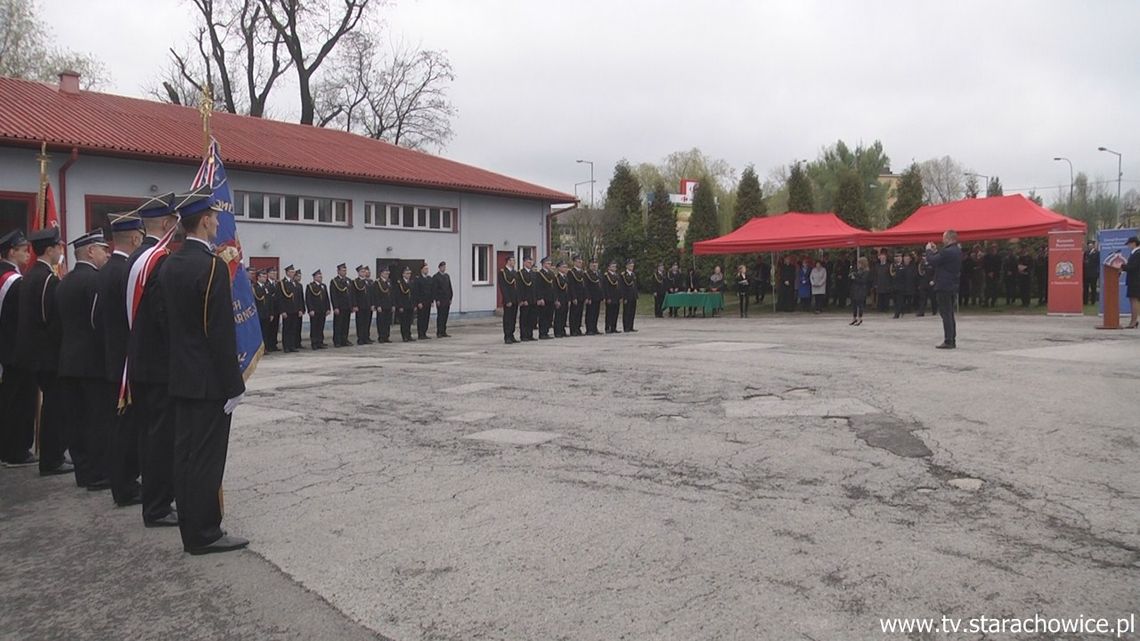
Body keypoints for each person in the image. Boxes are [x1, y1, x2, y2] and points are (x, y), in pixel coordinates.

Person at [159, 187, 247, 555]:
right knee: (207, 460)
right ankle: (205, 532)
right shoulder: (210, 267)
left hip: (179, 375)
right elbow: (219, 333)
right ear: (206, 220)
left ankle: (190, 528)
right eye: (213, 216)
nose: (217, 221)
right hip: (209, 381)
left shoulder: (169, 263)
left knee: (185, 456)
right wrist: (233, 385)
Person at [126, 193, 180, 523]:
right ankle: (158, 506)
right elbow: (164, 316)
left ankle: (153, 500)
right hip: (158, 365)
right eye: (174, 221)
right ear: (165, 224)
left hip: (140, 361)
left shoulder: (137, 257)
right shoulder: (157, 259)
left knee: (148, 433)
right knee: (160, 438)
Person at [56, 229, 111, 490]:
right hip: (92, 363)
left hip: (68, 360)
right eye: (103, 249)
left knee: (75, 421)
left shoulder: (64, 281)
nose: (107, 254)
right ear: (91, 251)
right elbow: (98, 323)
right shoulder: (95, 281)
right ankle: (99, 473)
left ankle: (83, 472)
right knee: (96, 420)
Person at [97, 212, 145, 507]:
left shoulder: (105, 270)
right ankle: (125, 486)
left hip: (110, 357)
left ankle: (122, 482)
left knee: (118, 426)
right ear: (136, 238)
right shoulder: (124, 270)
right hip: (125, 361)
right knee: (126, 428)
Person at [16, 227, 70, 476]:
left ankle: (52, 456)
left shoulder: (29, 276)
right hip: (48, 354)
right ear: (50, 250)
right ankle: (52, 458)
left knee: (53, 404)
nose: (61, 251)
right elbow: (52, 319)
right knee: (55, 407)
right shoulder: (48, 279)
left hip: (34, 353)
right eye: (59, 247)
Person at [0, 229, 37, 467]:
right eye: (23, 250)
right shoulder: (13, 282)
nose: (27, 254)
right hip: (14, 353)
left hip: (7, 351)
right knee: (17, 402)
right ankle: (15, 451)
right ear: (11, 252)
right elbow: (19, 322)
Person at [925, 230, 963, 349]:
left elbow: (933, 261)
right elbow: (942, 260)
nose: (942, 240)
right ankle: (952, 338)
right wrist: (935, 251)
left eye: (944, 237)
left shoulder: (948, 251)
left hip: (944, 285)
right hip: (952, 284)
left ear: (949, 238)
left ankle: (948, 340)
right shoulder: (956, 250)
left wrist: (928, 250)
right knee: (949, 313)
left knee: (945, 313)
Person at [277, 265, 302, 353]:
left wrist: (300, 309)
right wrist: (282, 311)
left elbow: (298, 297)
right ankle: (286, 346)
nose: (293, 273)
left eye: (293, 272)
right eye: (291, 272)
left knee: (293, 328)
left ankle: (292, 345)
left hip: (295, 309)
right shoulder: (282, 283)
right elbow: (280, 298)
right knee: (286, 329)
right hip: (287, 310)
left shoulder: (294, 283)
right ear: (287, 272)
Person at [329, 263, 353, 347]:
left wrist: (352, 305)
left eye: (345, 270)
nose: (344, 272)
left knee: (346, 324)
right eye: (343, 270)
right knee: (338, 324)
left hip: (347, 306)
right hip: (339, 306)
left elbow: (351, 294)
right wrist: (335, 307)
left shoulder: (349, 281)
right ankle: (337, 341)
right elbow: (333, 295)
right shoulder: (335, 281)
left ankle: (344, 339)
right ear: (338, 271)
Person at [305, 270, 329, 349]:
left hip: (322, 310)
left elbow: (326, 298)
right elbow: (308, 299)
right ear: (314, 277)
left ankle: (320, 341)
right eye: (319, 276)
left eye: (321, 276)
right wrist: (310, 309)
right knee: (314, 327)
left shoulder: (323, 286)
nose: (320, 278)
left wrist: (328, 308)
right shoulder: (310, 286)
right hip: (315, 310)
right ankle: (314, 343)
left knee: (321, 326)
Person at [534, 257, 556, 339]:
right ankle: (542, 333)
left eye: (550, 263)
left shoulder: (551, 273)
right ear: (543, 264)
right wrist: (540, 298)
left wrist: (555, 298)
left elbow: (553, 287)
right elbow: (538, 287)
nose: (549, 265)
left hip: (551, 298)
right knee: (543, 316)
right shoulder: (539, 274)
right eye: (548, 263)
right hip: (544, 298)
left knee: (549, 316)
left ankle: (546, 331)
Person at [498, 255, 518, 343]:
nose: (514, 262)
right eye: (513, 260)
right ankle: (507, 336)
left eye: (514, 260)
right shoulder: (503, 272)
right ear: (508, 261)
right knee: (508, 318)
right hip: (508, 299)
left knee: (513, 318)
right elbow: (503, 287)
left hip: (515, 299)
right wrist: (507, 300)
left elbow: (517, 287)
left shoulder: (514, 272)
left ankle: (512, 335)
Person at [371, 265, 394, 343]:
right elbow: (376, 295)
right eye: (385, 272)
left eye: (388, 272)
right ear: (381, 273)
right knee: (381, 322)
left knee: (387, 322)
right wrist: (378, 305)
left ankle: (386, 336)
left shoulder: (389, 282)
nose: (387, 274)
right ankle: (381, 336)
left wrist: (393, 305)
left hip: (388, 305)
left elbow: (392, 294)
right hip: (381, 305)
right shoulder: (377, 282)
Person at [352, 264, 373, 345]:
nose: (364, 273)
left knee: (367, 322)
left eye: (364, 271)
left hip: (368, 305)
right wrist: (355, 305)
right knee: (360, 322)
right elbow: (353, 294)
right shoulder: (355, 282)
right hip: (360, 305)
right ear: (358, 272)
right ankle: (360, 338)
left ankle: (366, 337)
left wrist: (372, 304)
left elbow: (371, 294)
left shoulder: (368, 282)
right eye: (362, 272)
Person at [413, 262, 434, 340]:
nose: (427, 270)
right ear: (421, 270)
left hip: (428, 301)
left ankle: (424, 332)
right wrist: (418, 302)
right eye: (425, 269)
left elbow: (431, 290)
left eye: (427, 269)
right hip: (421, 302)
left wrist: (432, 301)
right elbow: (416, 292)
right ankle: (420, 333)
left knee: (426, 318)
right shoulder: (418, 279)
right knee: (421, 318)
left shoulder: (429, 279)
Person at [394, 266, 415, 342]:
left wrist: (414, 304)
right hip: (403, 305)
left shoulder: (412, 282)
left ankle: (409, 335)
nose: (408, 275)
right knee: (404, 321)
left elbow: (414, 294)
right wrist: (400, 306)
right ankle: (404, 336)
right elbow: (398, 295)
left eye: (409, 273)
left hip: (410, 304)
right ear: (403, 274)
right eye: (407, 273)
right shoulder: (400, 283)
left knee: (409, 321)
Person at [517, 257, 536, 341]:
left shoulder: (533, 273)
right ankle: (523, 335)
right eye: (528, 262)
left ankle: (530, 334)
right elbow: (519, 288)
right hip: (525, 300)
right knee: (524, 318)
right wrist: (522, 299)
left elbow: (536, 287)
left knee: (531, 318)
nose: (530, 264)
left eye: (531, 262)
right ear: (524, 263)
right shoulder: (520, 273)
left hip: (532, 299)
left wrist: (536, 298)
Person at [432, 261, 453, 338]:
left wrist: (451, 298)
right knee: (440, 316)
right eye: (443, 267)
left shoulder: (447, 276)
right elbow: (435, 289)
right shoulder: (436, 277)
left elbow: (449, 287)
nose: (444, 268)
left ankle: (444, 331)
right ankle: (439, 332)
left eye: (445, 267)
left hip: (447, 299)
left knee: (445, 316)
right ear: (440, 267)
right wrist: (437, 299)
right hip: (440, 300)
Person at [893, 253, 916, 319]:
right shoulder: (898, 266)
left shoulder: (908, 267)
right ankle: (899, 312)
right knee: (899, 301)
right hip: (898, 286)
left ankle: (899, 313)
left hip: (905, 286)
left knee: (901, 301)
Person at [1124, 236, 1140, 329]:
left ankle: (1133, 321)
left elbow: (1133, 267)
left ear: (1134, 243)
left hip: (1136, 280)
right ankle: (1133, 320)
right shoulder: (1134, 253)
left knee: (1134, 300)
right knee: (1132, 300)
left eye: (1129, 244)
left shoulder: (1138, 253)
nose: (1128, 246)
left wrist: (1122, 267)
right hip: (1133, 280)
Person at [849, 257, 871, 326]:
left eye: (860, 263)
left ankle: (860, 318)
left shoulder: (866, 271)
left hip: (861, 289)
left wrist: (855, 278)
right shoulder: (859, 270)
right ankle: (854, 317)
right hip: (855, 289)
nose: (858, 265)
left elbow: (863, 281)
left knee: (860, 304)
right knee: (854, 304)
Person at [602, 260, 621, 333]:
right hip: (610, 297)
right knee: (609, 313)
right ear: (608, 267)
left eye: (615, 266)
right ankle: (608, 327)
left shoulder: (616, 275)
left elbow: (619, 287)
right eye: (612, 266)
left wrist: (620, 296)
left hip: (616, 297)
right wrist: (607, 297)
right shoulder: (606, 276)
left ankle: (613, 327)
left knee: (615, 313)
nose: (614, 268)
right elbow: (605, 287)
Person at [568, 257, 586, 335]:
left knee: (579, 313)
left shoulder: (582, 272)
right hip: (575, 296)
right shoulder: (571, 272)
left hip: (581, 296)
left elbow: (584, 285)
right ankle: (573, 330)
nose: (580, 263)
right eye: (578, 262)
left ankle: (578, 329)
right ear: (574, 263)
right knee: (574, 313)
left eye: (581, 262)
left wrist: (585, 296)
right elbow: (571, 286)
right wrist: (573, 297)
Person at [584, 258, 602, 335]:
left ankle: (594, 328)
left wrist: (602, 296)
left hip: (597, 296)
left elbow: (601, 285)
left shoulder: (598, 273)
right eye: (593, 264)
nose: (594, 265)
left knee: (596, 313)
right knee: (590, 313)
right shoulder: (587, 274)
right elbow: (586, 287)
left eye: (596, 264)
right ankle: (589, 329)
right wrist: (588, 297)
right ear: (590, 265)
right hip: (591, 296)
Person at [264, 267, 280, 351]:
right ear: (268, 274)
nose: (274, 274)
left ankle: (274, 344)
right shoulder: (266, 284)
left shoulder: (277, 284)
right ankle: (268, 345)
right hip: (269, 310)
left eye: (275, 273)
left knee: (275, 328)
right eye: (272, 273)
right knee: (268, 329)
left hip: (276, 309)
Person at [620, 258, 638, 332]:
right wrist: (624, 297)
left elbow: (635, 286)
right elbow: (623, 287)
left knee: (632, 312)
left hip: (633, 295)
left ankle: (631, 326)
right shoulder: (623, 275)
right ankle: (626, 327)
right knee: (627, 312)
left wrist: (636, 295)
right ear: (626, 266)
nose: (632, 266)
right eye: (630, 265)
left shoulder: (633, 274)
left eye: (632, 265)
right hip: (627, 296)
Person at [553, 261, 569, 337]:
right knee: (558, 316)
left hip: (565, 299)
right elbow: (555, 289)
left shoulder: (565, 277)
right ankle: (557, 331)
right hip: (560, 299)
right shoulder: (557, 277)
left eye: (566, 267)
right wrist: (556, 300)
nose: (565, 268)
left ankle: (562, 330)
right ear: (559, 268)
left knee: (564, 315)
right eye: (563, 267)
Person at [1083, 241, 1100, 306]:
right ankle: (1085, 301)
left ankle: (1093, 301)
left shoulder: (1097, 253)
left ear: (1093, 246)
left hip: (1093, 274)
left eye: (1091, 245)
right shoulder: (1086, 253)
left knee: (1093, 288)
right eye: (1088, 246)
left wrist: (1097, 272)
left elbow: (1098, 263)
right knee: (1085, 288)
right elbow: (1084, 261)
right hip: (1086, 273)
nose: (1089, 247)